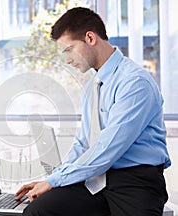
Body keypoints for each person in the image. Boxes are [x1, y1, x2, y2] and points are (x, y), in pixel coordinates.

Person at [16, 7, 171, 216]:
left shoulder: (135, 83)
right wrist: (53, 180)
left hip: (135, 182)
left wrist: (55, 181)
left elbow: (107, 148)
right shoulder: (93, 86)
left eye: (68, 49)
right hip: (96, 180)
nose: (67, 59)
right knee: (39, 210)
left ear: (90, 38)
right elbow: (83, 144)